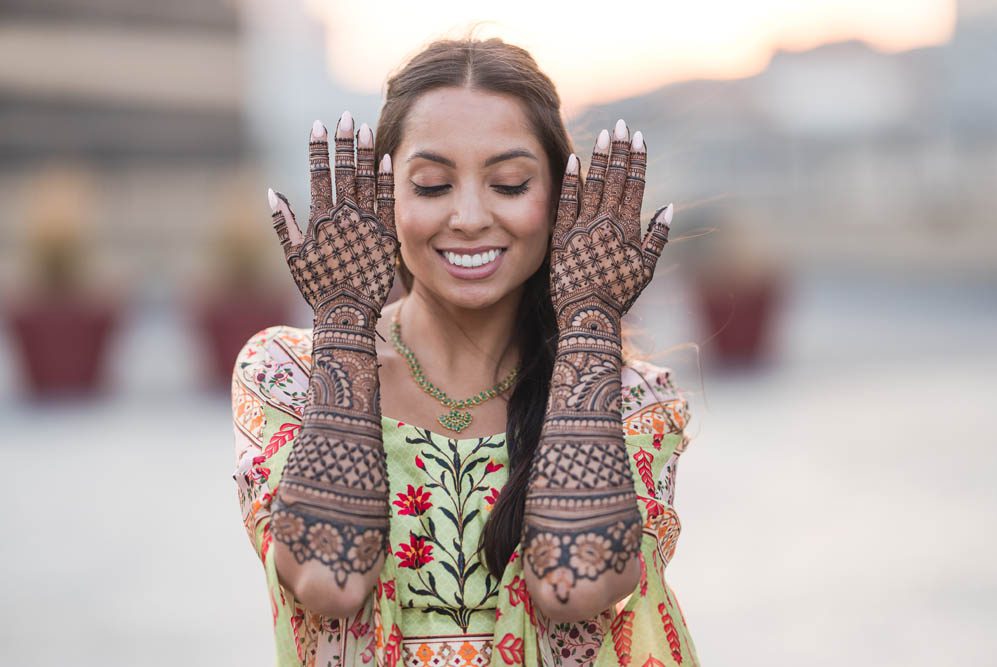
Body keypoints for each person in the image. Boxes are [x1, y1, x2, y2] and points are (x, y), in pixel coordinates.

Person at [231, 37, 699, 666]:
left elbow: (574, 588)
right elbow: (329, 582)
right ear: (383, 196)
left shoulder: (631, 400)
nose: (470, 216)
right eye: (431, 186)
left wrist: (589, 324)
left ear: (563, 200)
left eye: (508, 184)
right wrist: (344, 322)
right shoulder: (288, 374)